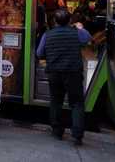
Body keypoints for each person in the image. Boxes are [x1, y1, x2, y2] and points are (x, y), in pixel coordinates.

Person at [36, 8, 91, 146]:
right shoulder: (76, 33)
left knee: (56, 101)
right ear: (69, 20)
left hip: (54, 72)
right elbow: (87, 39)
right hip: (73, 72)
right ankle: (77, 135)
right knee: (77, 103)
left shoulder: (47, 35)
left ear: (55, 21)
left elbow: (39, 53)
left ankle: (57, 131)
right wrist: (81, 27)